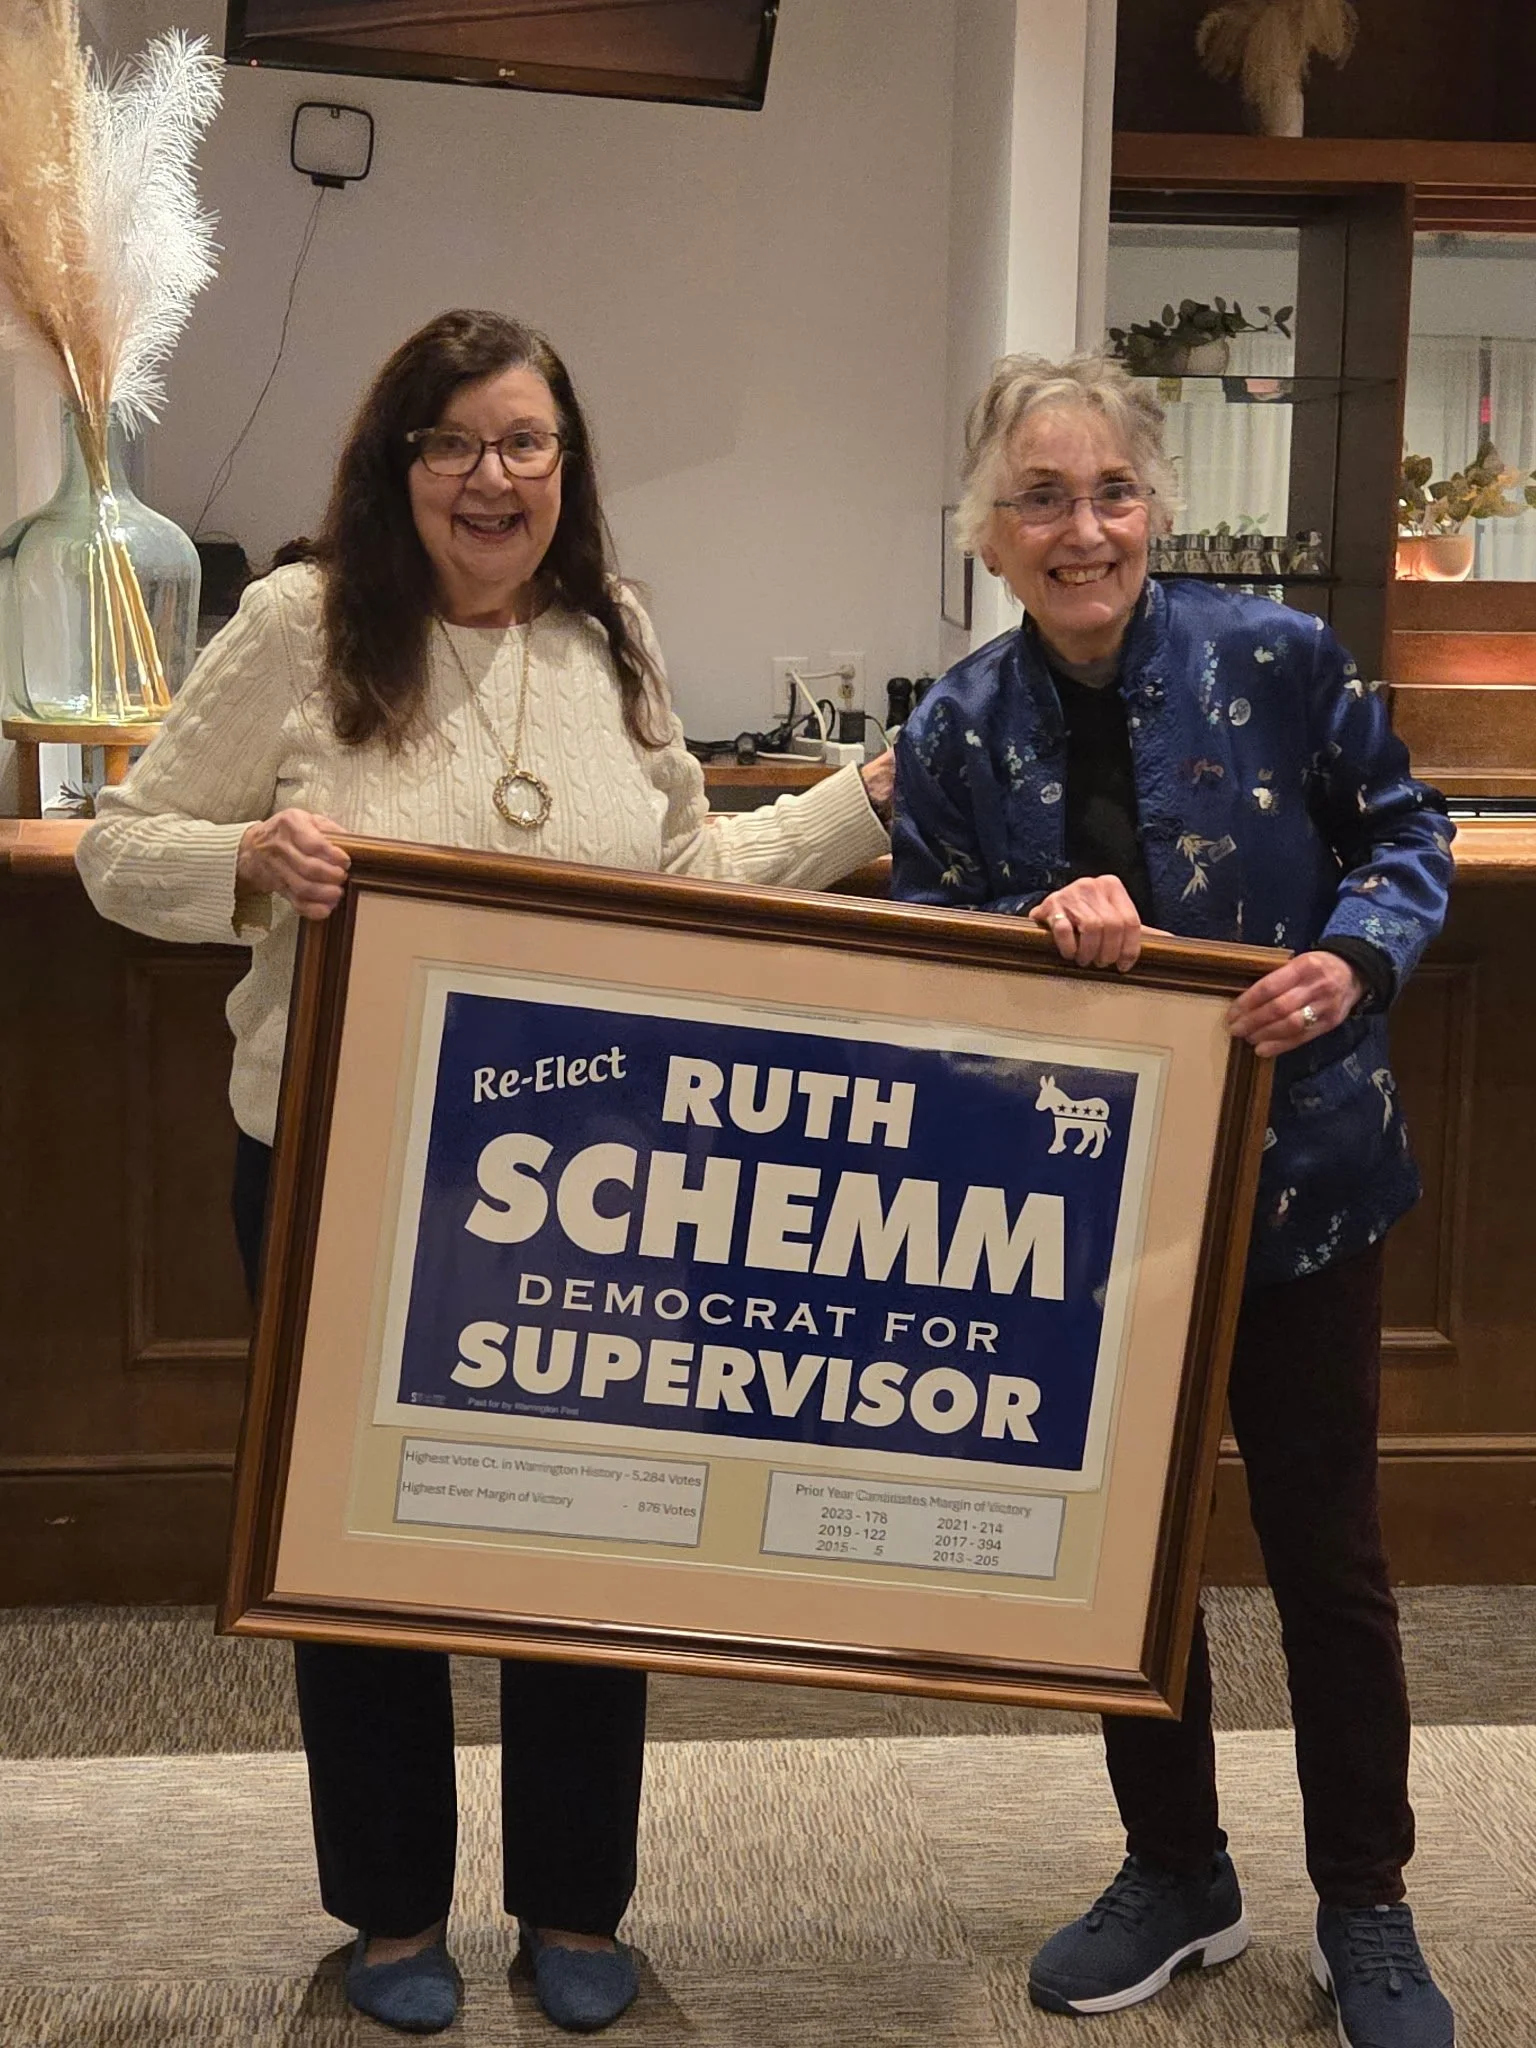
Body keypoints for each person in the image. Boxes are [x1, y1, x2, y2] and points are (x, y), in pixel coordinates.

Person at [77, 308, 891, 2036]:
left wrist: (862, 800)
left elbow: (688, 877)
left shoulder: (614, 636)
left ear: (566, 465)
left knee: (585, 1546)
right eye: (450, 442)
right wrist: (248, 858)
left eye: (524, 441)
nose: (490, 476)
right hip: (339, 1171)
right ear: (397, 465)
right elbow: (118, 846)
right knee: (362, 1549)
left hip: (588, 1187)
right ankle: (391, 1914)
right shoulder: (301, 626)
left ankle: (576, 1905)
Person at [890, 353, 1455, 2048]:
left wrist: (1352, 961)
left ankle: (1367, 1896)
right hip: (1085, 1209)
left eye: (1113, 493)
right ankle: (1177, 1869)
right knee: (1125, 1558)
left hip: (1303, 1187)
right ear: (989, 533)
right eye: (1043, 499)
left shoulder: (1280, 659)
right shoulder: (953, 725)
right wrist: (1024, 933)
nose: (1084, 530)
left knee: (1327, 1558)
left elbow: (1407, 838)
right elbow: (922, 946)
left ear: (1156, 509)